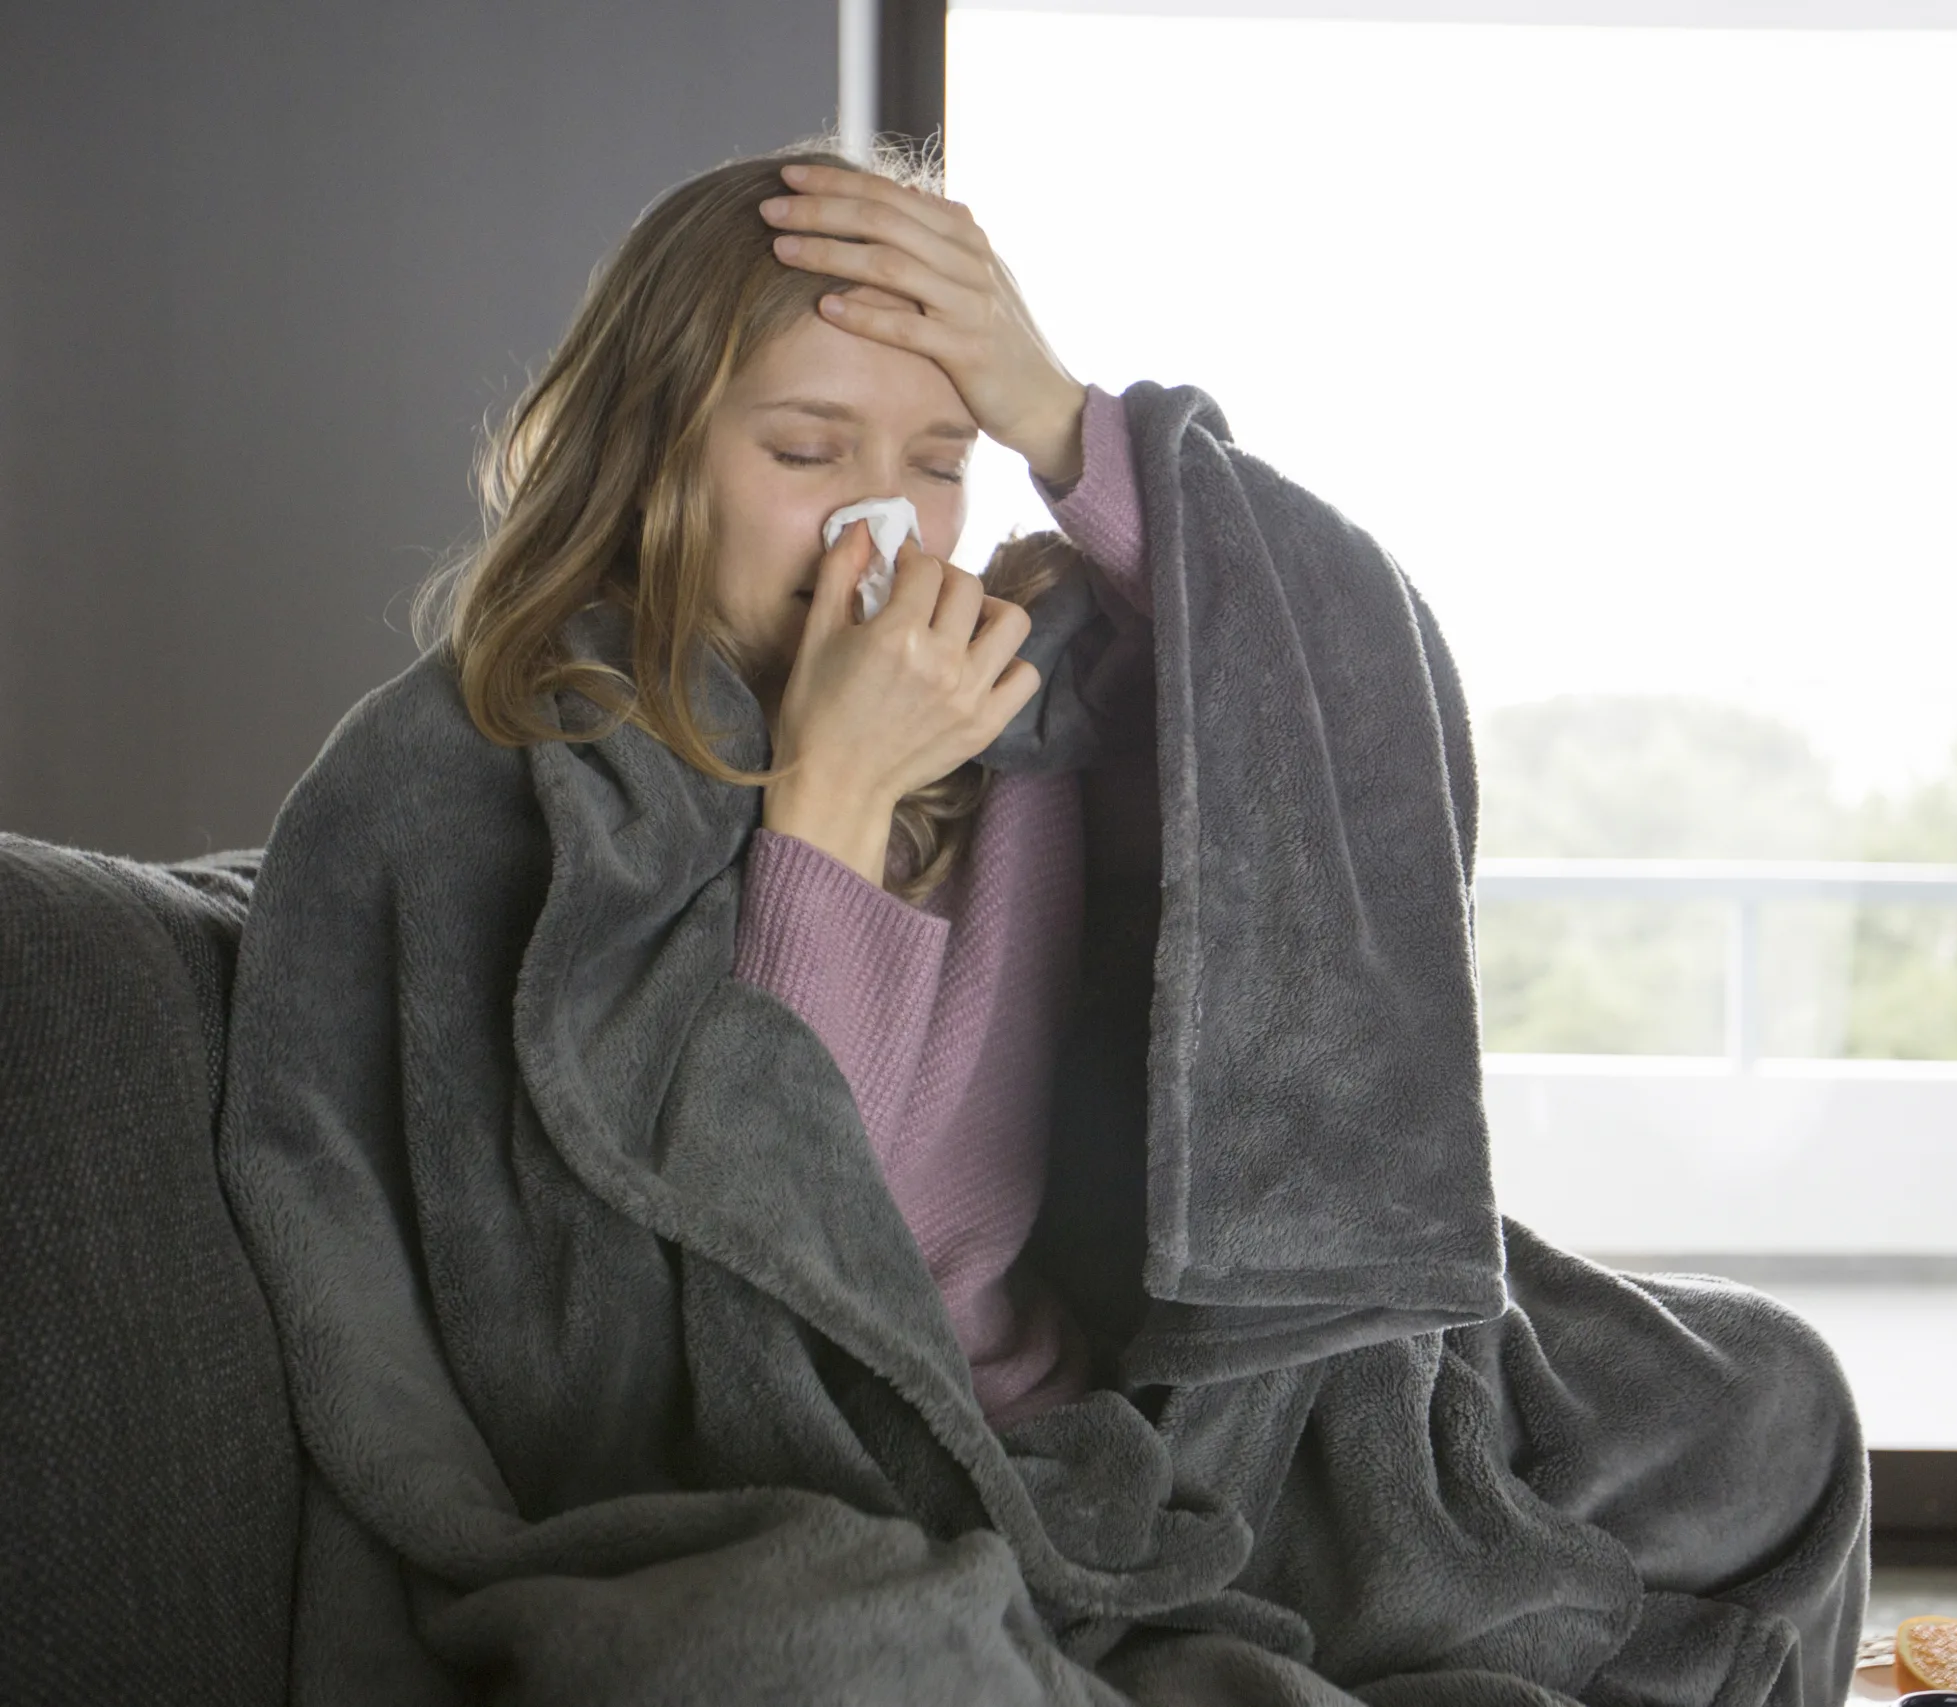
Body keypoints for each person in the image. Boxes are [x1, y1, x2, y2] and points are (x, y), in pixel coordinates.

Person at [214, 137, 1870, 1706]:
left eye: (939, 461)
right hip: (844, 1491)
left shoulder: (1025, 696)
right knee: (813, 1653)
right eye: (805, 453)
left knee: (1763, 1404)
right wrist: (831, 809)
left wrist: (1065, 419)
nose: (881, 524)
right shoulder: (513, 769)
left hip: (1161, 1438)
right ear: (646, 457)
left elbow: (1335, 677)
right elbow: (737, 1299)